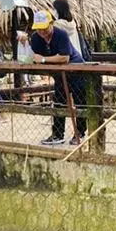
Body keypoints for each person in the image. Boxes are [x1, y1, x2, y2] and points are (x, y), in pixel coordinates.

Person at [30, 10, 87, 145]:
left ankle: (80, 132)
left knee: (80, 102)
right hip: (59, 75)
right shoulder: (36, 38)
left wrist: (44, 60)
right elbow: (34, 57)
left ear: (51, 23)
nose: (42, 31)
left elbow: (64, 57)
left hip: (75, 70)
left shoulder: (61, 35)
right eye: (38, 29)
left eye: (44, 27)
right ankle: (57, 134)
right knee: (59, 102)